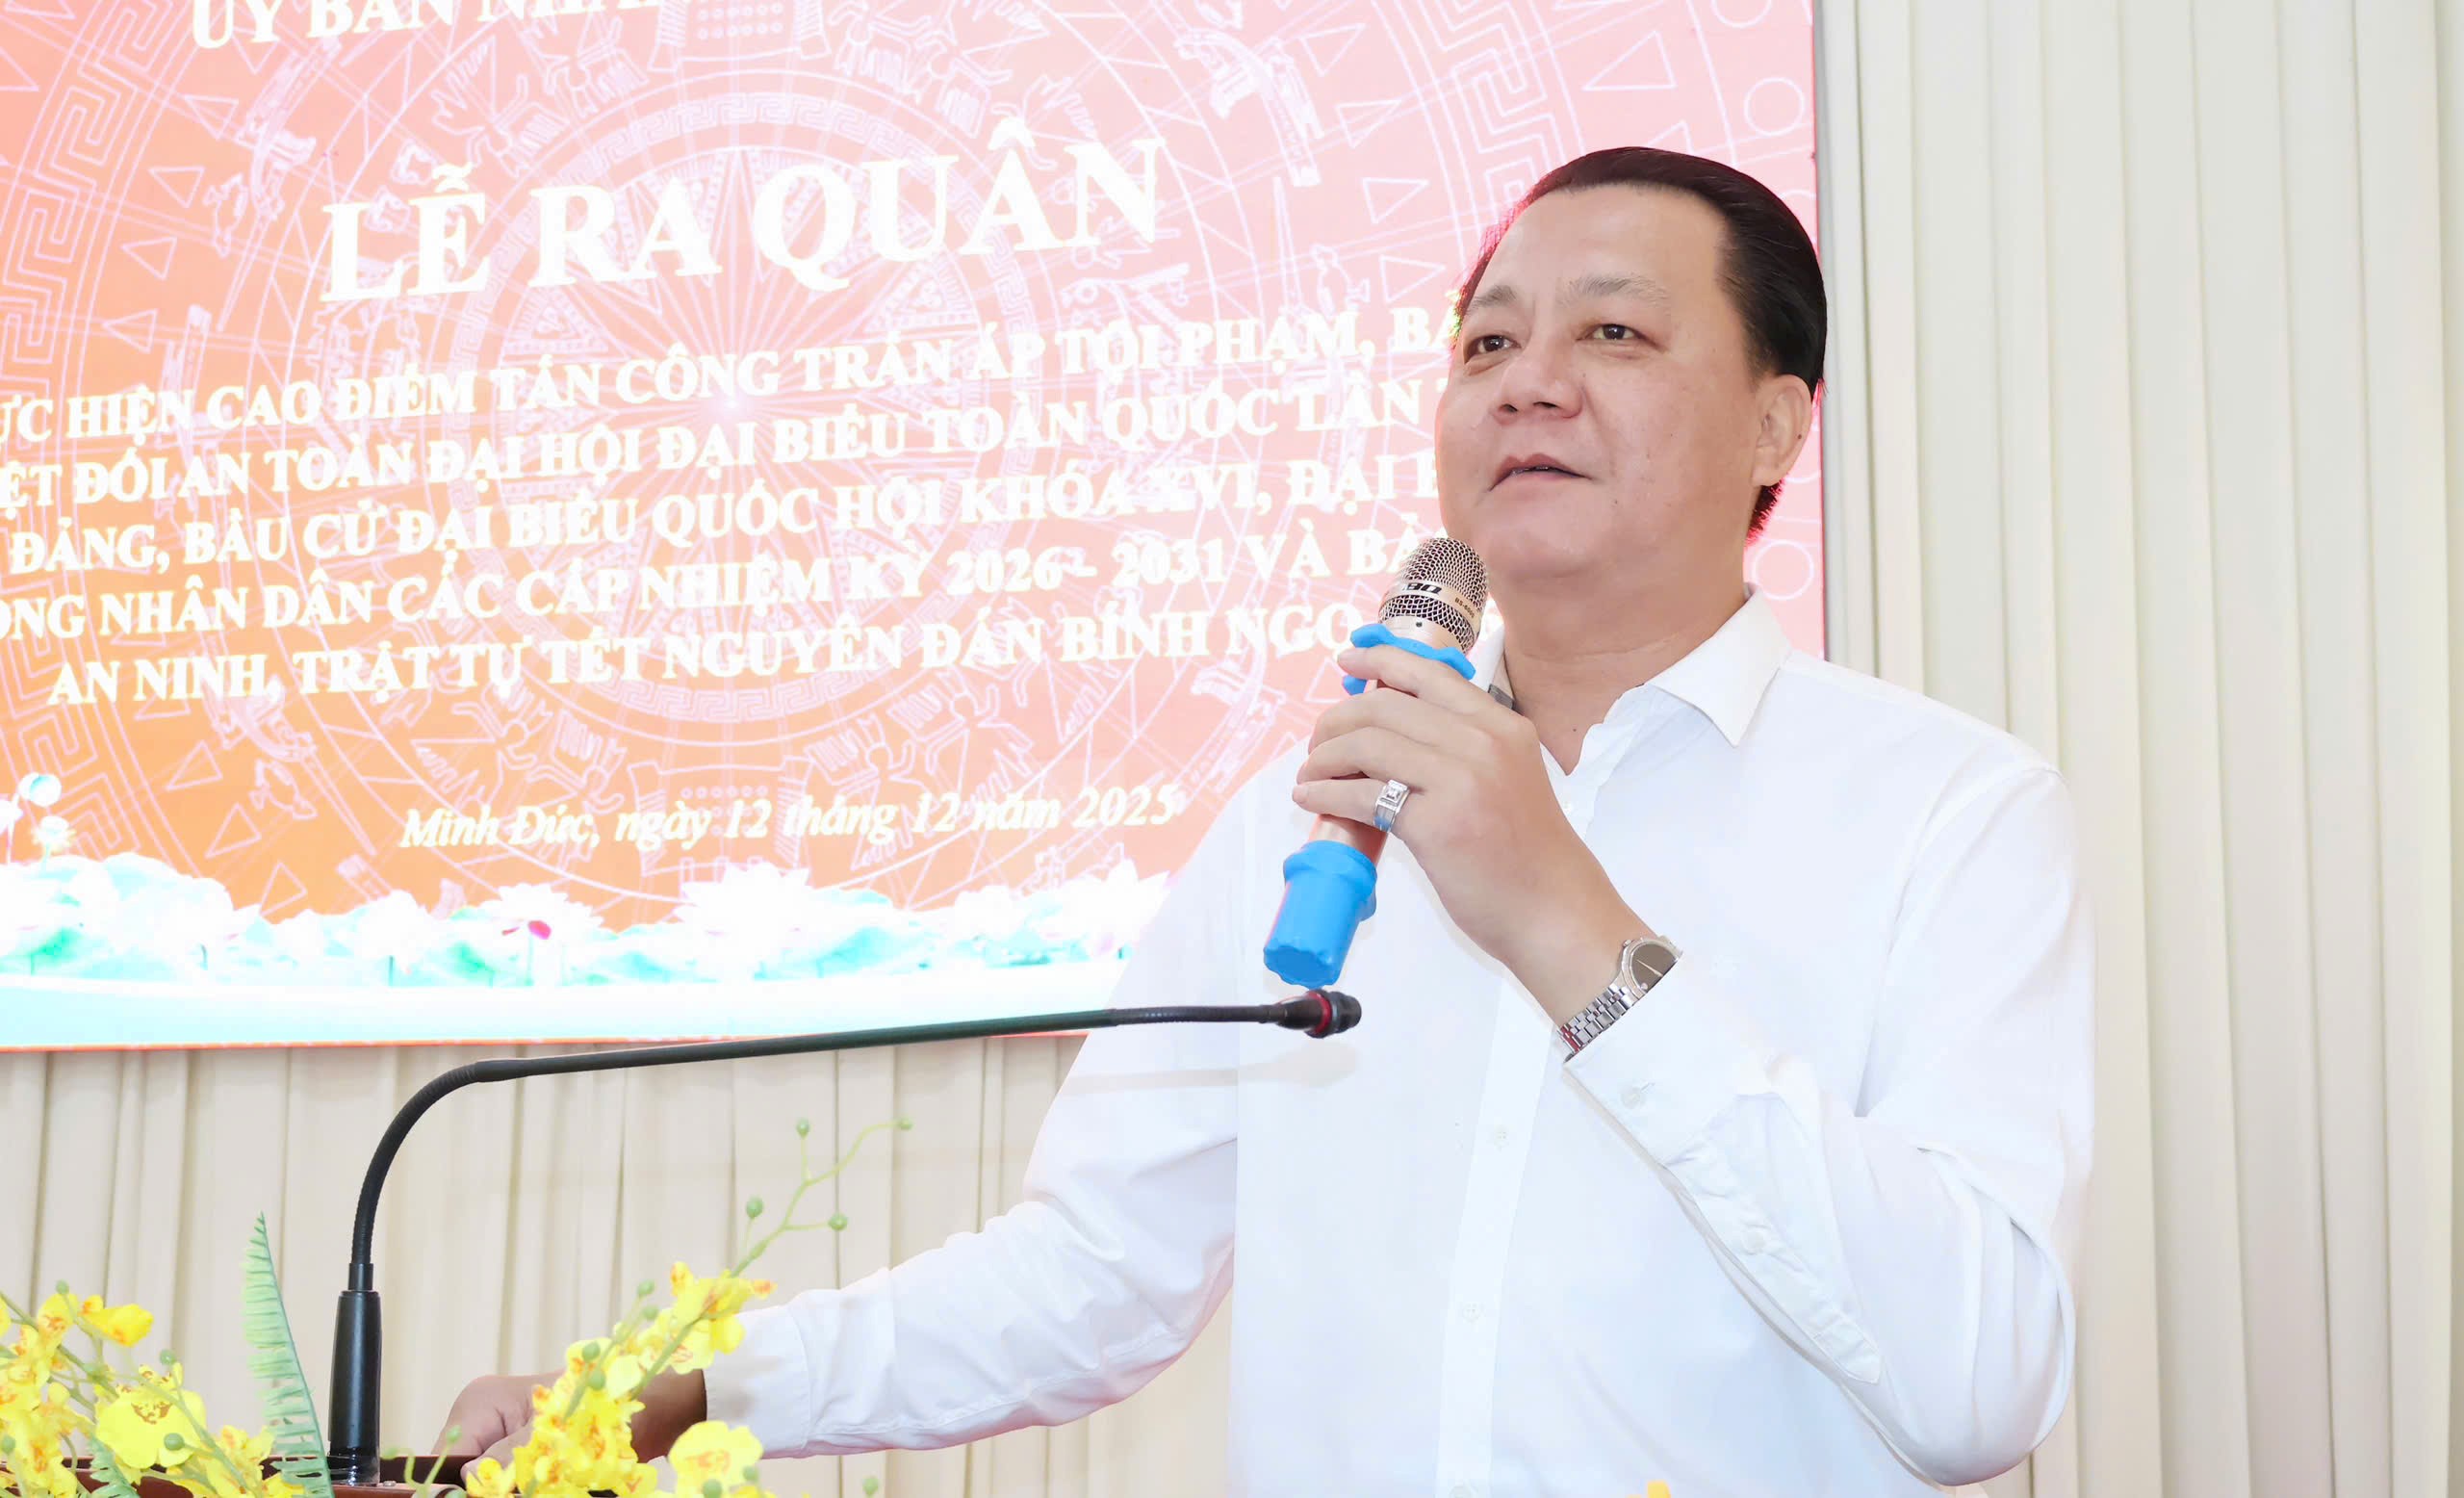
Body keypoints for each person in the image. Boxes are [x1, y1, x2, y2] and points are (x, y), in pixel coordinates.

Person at [441, 146, 2094, 1496]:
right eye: (1486, 345)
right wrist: (684, 1395)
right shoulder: (1311, 820)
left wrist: (1570, 927)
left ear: (1778, 424)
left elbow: (1979, 1382)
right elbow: (1092, 1273)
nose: (1528, 385)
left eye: (1612, 334)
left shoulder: (1949, 814)